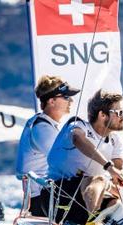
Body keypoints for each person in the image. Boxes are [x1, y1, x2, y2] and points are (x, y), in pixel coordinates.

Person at [46, 89, 123, 225]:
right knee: (99, 179)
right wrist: (109, 167)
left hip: (83, 199)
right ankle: (93, 219)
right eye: (119, 113)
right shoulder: (78, 125)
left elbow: (119, 167)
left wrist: (120, 176)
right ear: (102, 115)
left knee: (115, 202)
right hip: (58, 194)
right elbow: (78, 140)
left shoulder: (115, 140)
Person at [16, 75, 80, 216]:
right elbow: (64, 161)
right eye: (66, 97)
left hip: (45, 195)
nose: (71, 100)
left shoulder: (46, 125)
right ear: (51, 101)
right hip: (41, 199)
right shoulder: (42, 129)